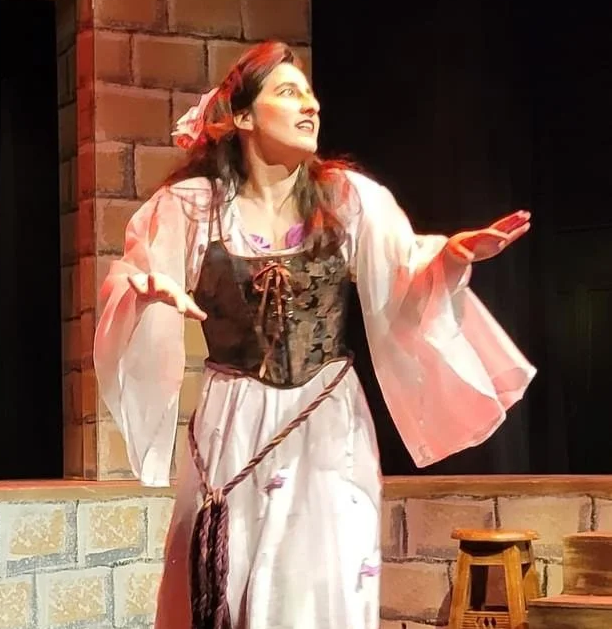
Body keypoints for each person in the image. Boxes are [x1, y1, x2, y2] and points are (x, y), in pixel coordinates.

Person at [93, 41, 536, 629]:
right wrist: (146, 293)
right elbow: (133, 276)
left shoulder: (348, 199)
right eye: (288, 92)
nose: (311, 105)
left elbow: (403, 274)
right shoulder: (192, 207)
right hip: (235, 423)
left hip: (326, 419)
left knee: (318, 586)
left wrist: (449, 258)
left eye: (310, 94)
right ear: (243, 117)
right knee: (231, 583)